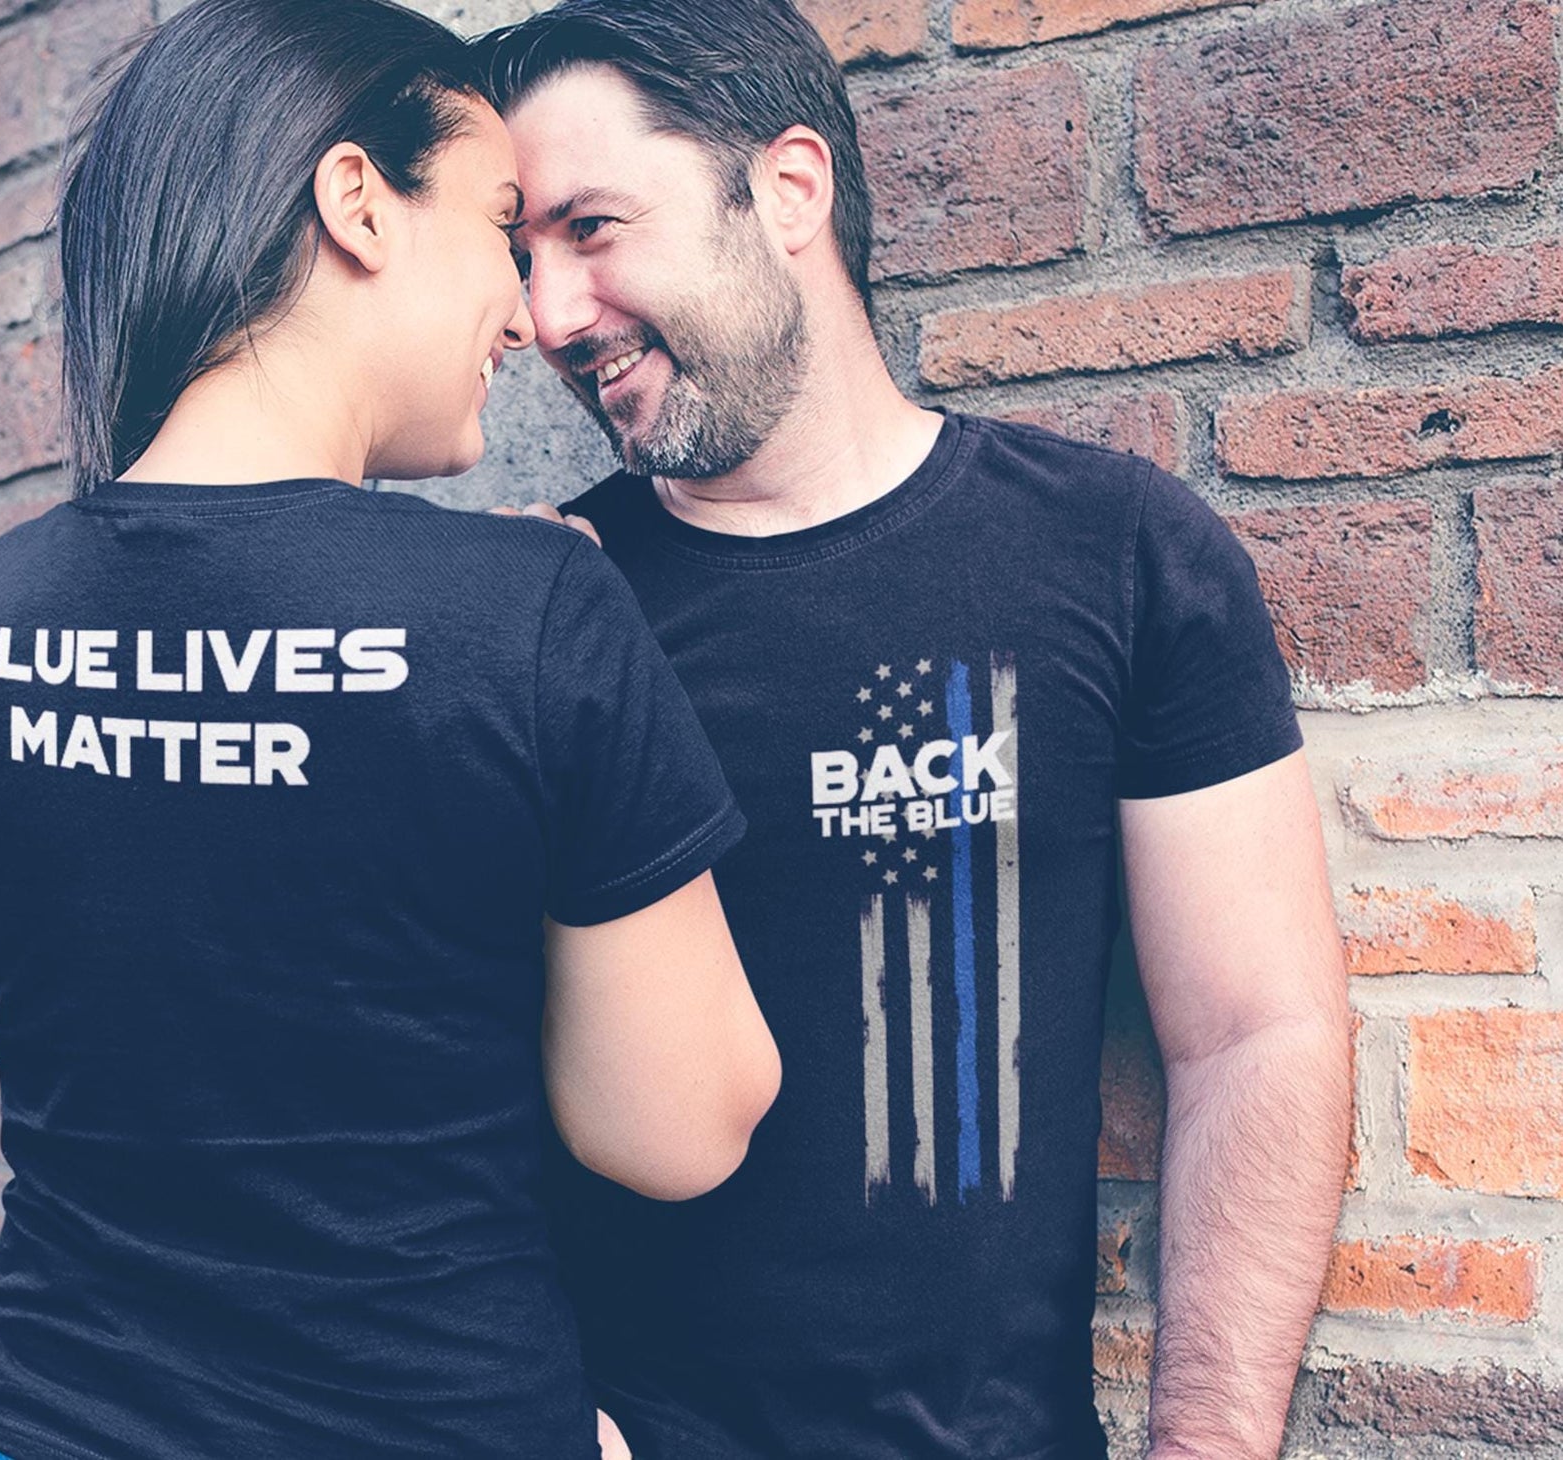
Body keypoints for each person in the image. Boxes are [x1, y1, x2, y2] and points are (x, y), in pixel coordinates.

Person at [0, 3, 781, 1458]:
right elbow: (677, 1129)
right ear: (357, 202)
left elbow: (30, 1067)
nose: (527, 307)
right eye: (500, 227)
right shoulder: (528, 612)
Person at [477, 3, 1354, 1457]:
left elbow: (1254, 1033)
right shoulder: (532, 608)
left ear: (787, 190)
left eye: (591, 227)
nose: (552, 316)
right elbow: (430, 1090)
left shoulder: (1115, 554)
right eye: (521, 256)